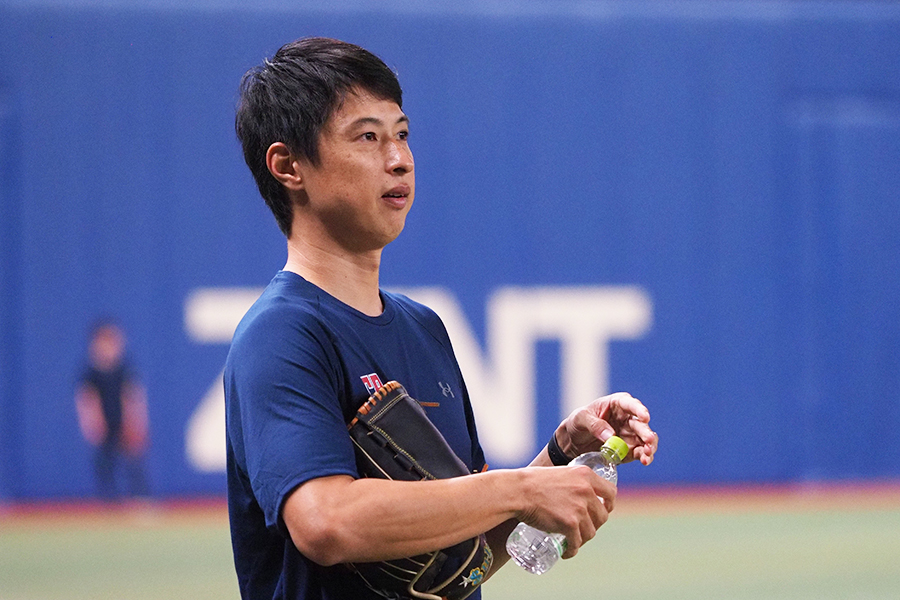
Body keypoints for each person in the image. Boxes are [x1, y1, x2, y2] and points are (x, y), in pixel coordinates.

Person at [226, 37, 658, 600]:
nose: (399, 158)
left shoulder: (424, 328)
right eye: (367, 137)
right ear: (288, 166)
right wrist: (523, 489)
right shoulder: (281, 334)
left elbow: (461, 566)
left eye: (402, 134)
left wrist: (558, 457)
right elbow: (326, 521)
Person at [75, 319, 150, 500]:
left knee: (134, 463)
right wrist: (91, 423)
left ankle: (140, 500)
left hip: (124, 422)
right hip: (104, 424)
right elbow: (87, 399)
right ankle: (109, 503)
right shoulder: (90, 372)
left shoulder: (125, 369)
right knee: (105, 464)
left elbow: (133, 395)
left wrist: (136, 421)